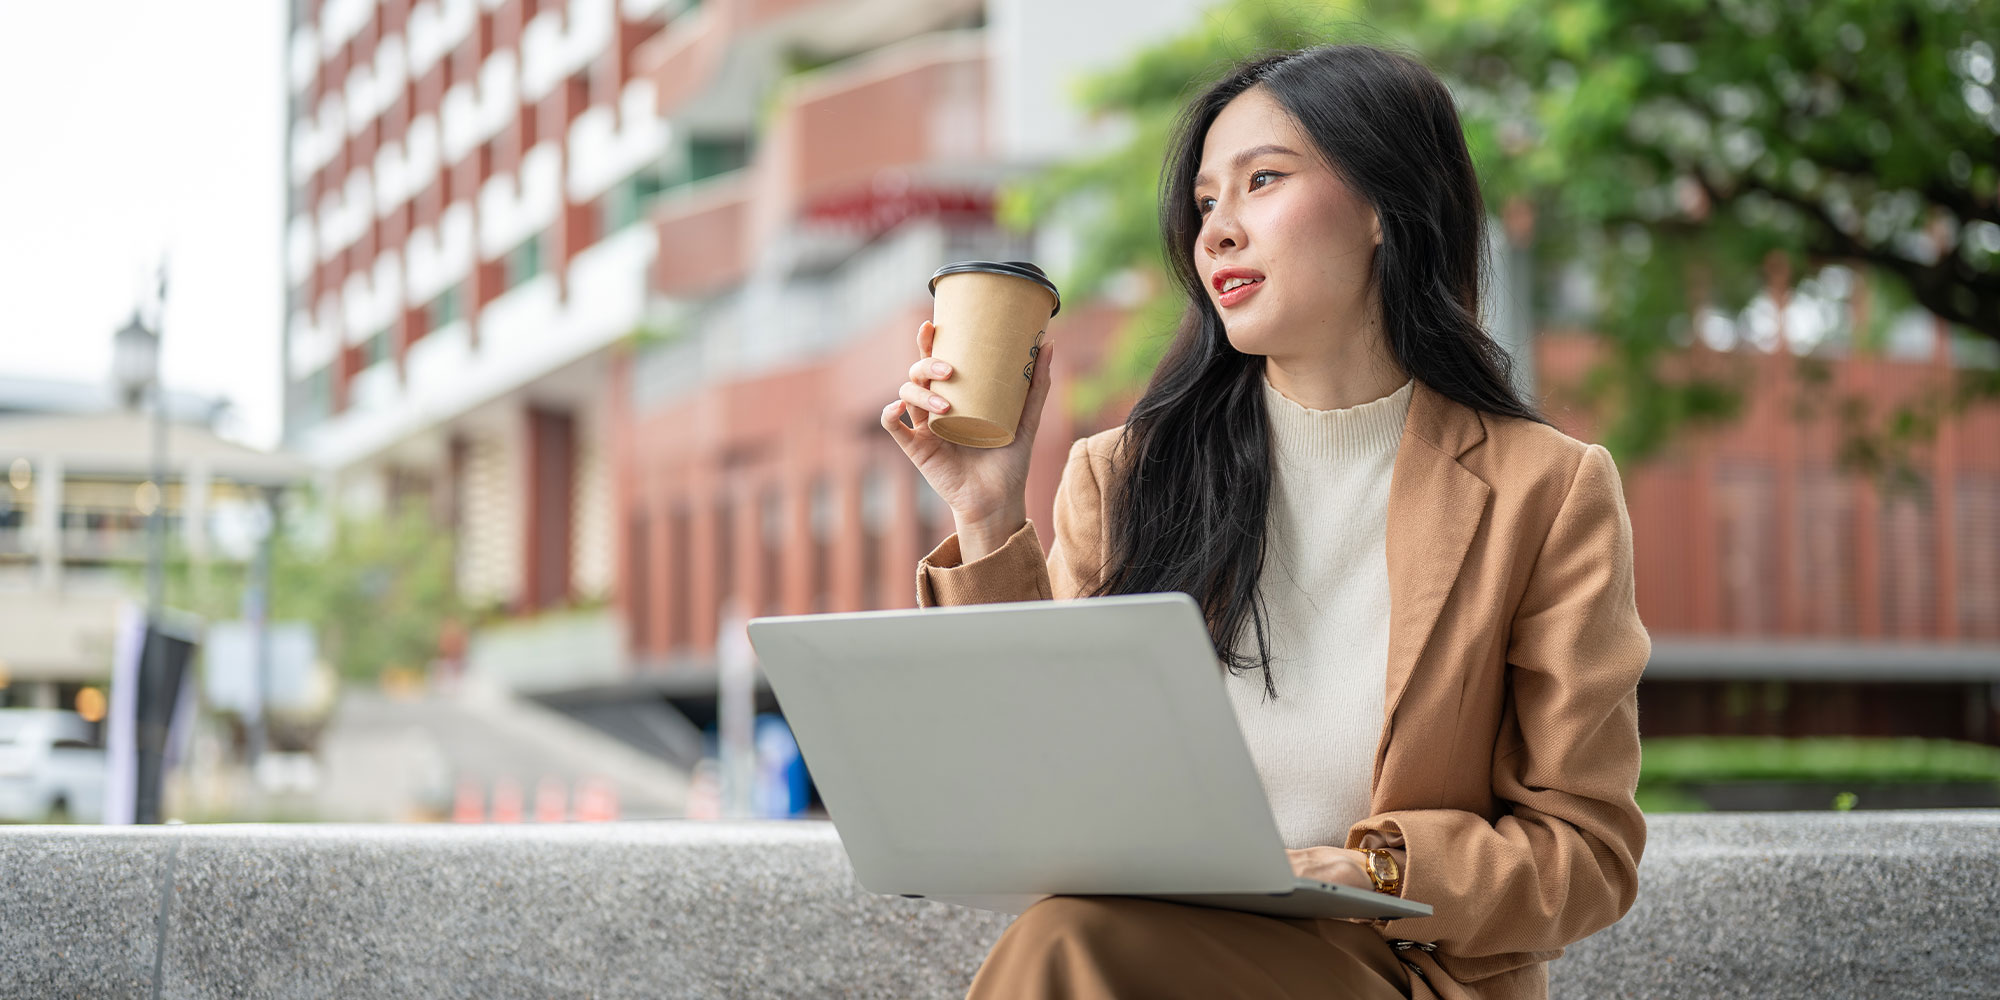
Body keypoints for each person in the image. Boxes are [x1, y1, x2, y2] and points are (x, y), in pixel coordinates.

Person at [880, 42, 1648, 1000]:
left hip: (1392, 972)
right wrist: (986, 509)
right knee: (1072, 934)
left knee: (1067, 947)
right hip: (1152, 953)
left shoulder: (1546, 490)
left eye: (1263, 182)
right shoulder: (1123, 478)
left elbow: (1589, 849)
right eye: (1206, 202)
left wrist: (1377, 871)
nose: (1218, 232)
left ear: (1381, 205)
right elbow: (1043, 784)